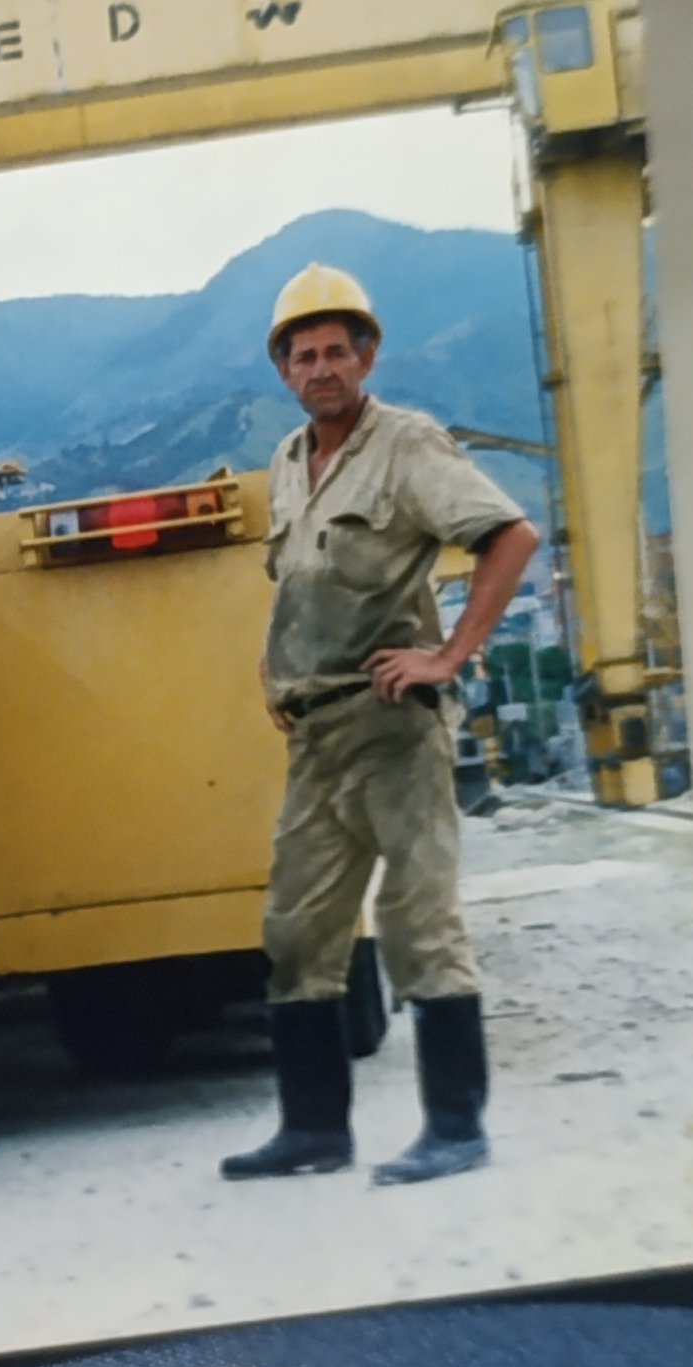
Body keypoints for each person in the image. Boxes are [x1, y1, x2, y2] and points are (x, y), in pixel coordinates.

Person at [223, 265, 540, 1187]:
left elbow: (510, 535)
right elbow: (303, 581)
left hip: (392, 723)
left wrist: (449, 656)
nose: (321, 368)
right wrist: (276, 668)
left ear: (366, 358)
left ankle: (456, 1128)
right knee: (297, 931)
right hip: (316, 735)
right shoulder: (289, 460)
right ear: (284, 369)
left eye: (337, 351)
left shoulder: (406, 445)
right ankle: (313, 1131)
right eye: (304, 355)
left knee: (417, 923)